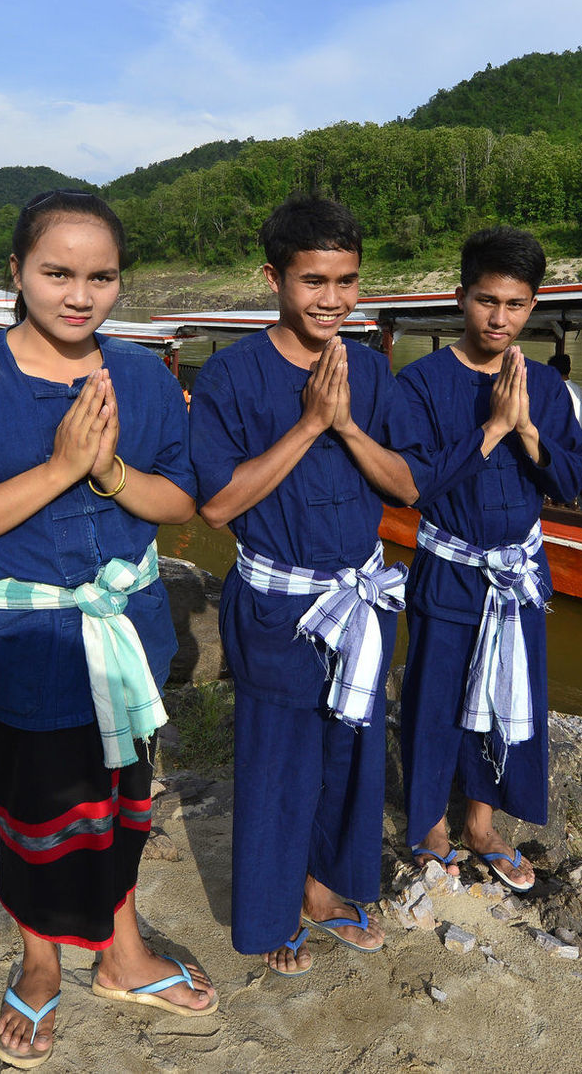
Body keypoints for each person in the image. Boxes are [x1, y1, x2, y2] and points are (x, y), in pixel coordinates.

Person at [0, 190, 214, 1069]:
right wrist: (59, 468)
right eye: (57, 272)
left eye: (102, 275)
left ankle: (120, 951)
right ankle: (40, 964)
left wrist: (108, 470)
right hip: (26, 639)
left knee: (123, 797)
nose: (81, 294)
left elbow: (180, 501)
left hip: (127, 628)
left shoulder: (147, 377)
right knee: (36, 809)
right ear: (16, 273)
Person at [189, 194, 428, 977]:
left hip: (359, 599)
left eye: (348, 280)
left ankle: (326, 891)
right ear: (273, 278)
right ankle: (270, 912)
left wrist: (349, 423)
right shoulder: (232, 374)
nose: (332, 299)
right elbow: (219, 504)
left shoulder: (367, 367)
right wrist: (308, 424)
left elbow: (406, 490)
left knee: (350, 752)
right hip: (277, 607)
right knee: (277, 759)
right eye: (313, 280)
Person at [397, 228, 582, 893]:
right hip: (449, 569)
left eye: (514, 304)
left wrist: (529, 426)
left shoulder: (546, 387)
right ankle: (430, 827)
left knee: (507, 696)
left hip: (519, 574)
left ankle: (480, 823)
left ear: (532, 306)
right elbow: (416, 484)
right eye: (486, 300)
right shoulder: (420, 384)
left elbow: (570, 483)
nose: (499, 317)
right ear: (461, 297)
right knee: (434, 698)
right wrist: (494, 429)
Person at [546, 351, 582, 433]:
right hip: (576, 435)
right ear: (569, 369)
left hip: (560, 437)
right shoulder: (578, 390)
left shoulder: (555, 389)